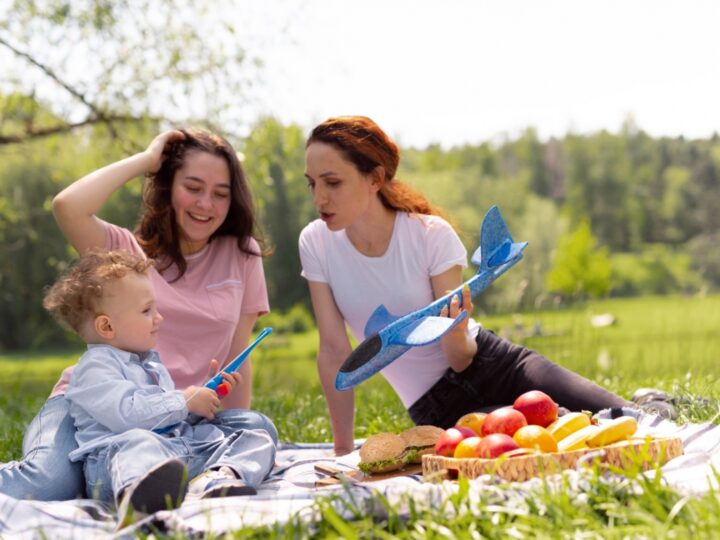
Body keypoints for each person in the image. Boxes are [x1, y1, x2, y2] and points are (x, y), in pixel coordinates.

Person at [299, 116, 634, 456]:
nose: (319, 198)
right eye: (312, 184)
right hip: (438, 408)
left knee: (626, 417)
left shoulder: (430, 234)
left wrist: (455, 332)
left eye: (333, 182)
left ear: (375, 178)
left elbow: (460, 359)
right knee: (556, 439)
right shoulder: (316, 243)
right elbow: (333, 352)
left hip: (493, 362)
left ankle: (654, 400)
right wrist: (342, 450)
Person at [0, 128, 276, 501]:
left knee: (256, 428)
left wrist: (224, 425)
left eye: (220, 194)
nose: (205, 204)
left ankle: (141, 477)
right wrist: (147, 160)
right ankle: (100, 471)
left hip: (178, 419)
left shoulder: (243, 254)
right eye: (192, 187)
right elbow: (68, 205)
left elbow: (238, 356)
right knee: (48, 484)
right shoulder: (124, 257)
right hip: (95, 409)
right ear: (167, 186)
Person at [43, 249, 275, 521]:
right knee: (138, 442)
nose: (159, 318)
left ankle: (217, 478)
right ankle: (137, 496)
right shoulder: (94, 368)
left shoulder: (150, 362)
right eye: (146, 310)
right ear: (107, 327)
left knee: (254, 431)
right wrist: (183, 400)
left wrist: (204, 398)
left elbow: (165, 419)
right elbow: (127, 415)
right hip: (115, 463)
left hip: (174, 451)